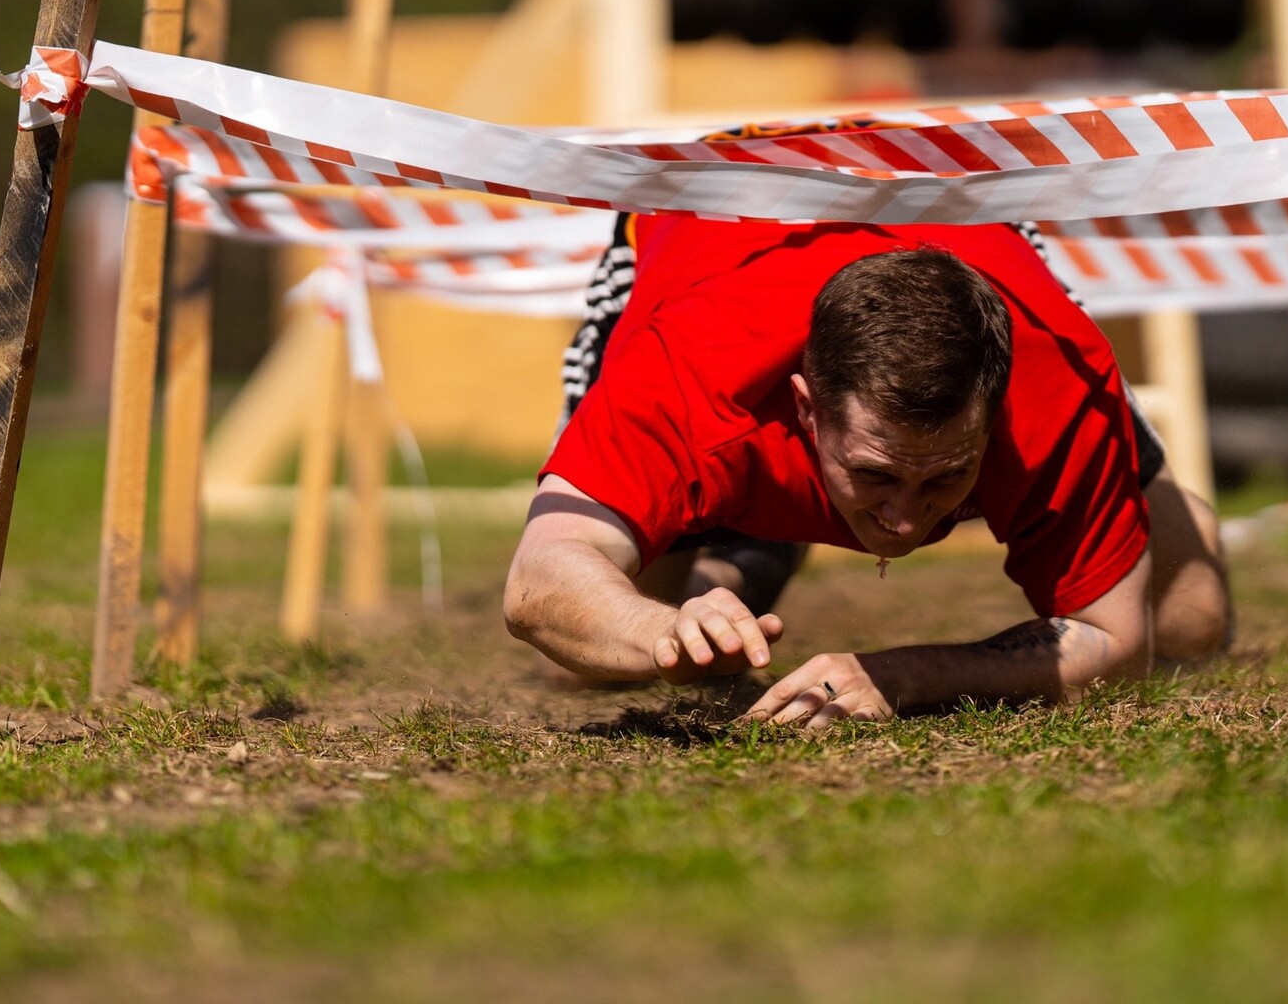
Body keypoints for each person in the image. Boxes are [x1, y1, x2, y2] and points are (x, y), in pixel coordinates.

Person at [503, 214, 1231, 730]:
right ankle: (748, 553)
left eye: (948, 477)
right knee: (600, 659)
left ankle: (762, 531)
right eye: (876, 475)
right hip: (711, 233)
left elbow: (1117, 646)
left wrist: (903, 675)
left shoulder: (1051, 385)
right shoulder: (685, 377)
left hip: (972, 226)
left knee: (1189, 618)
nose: (908, 523)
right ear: (805, 409)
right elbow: (540, 582)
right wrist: (666, 629)